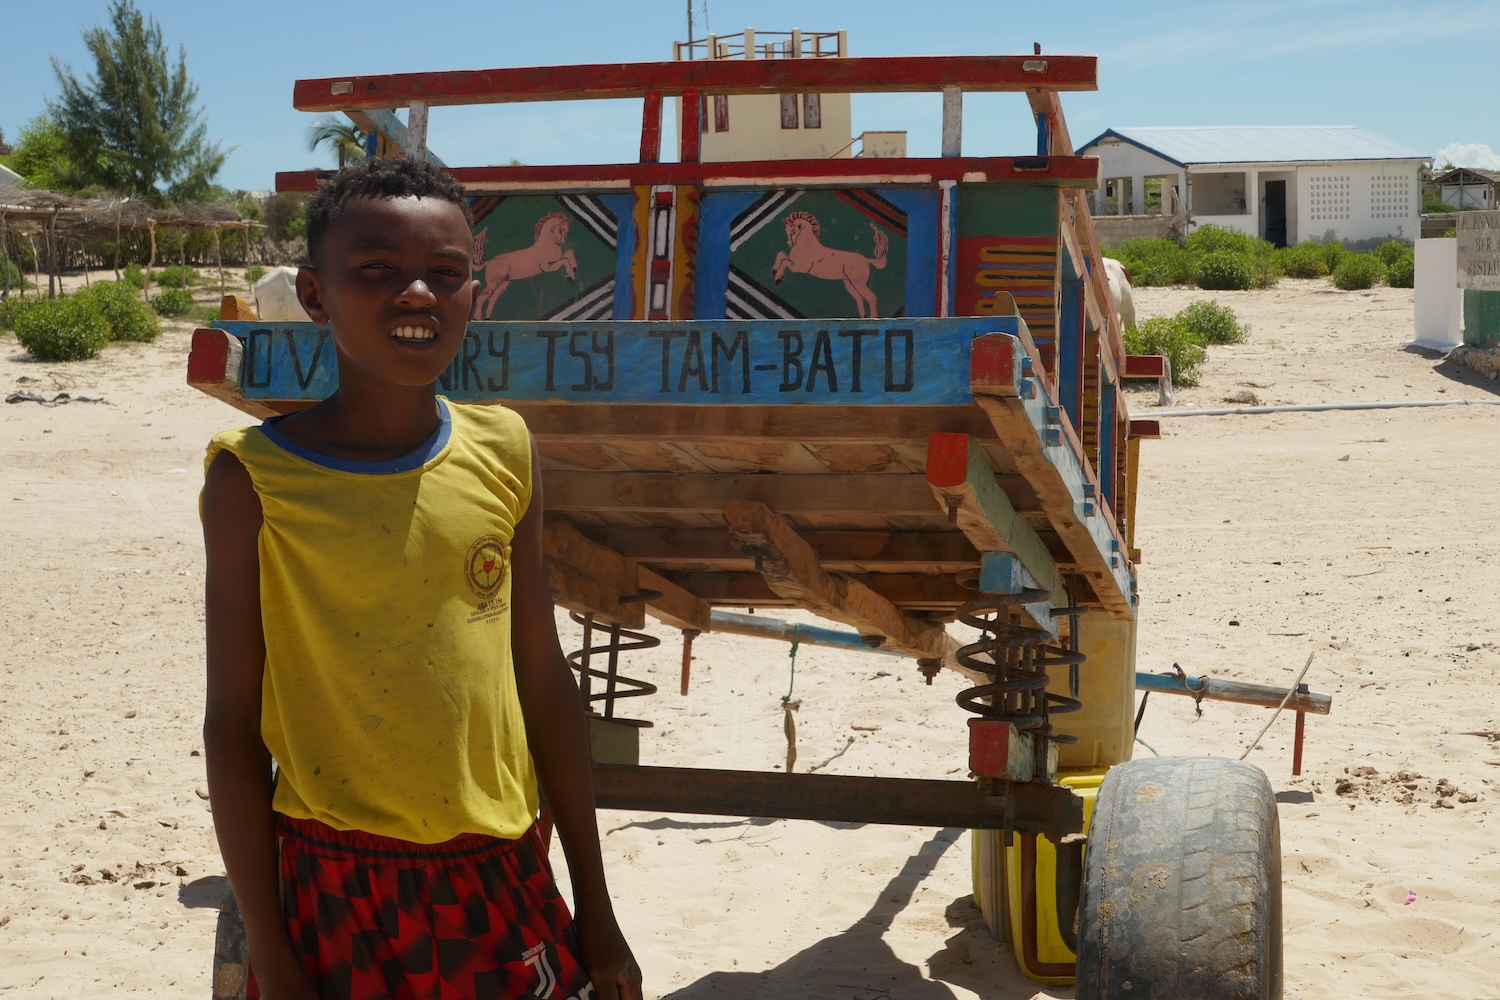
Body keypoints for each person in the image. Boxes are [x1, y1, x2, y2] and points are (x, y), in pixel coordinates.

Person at [201, 156, 641, 1000]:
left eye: (446, 274)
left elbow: (543, 680)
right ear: (317, 294)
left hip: (502, 868)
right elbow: (232, 727)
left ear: (476, 292)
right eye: (377, 270)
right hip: (335, 884)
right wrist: (273, 953)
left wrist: (598, 908)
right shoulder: (253, 480)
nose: (416, 294)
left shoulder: (505, 448)